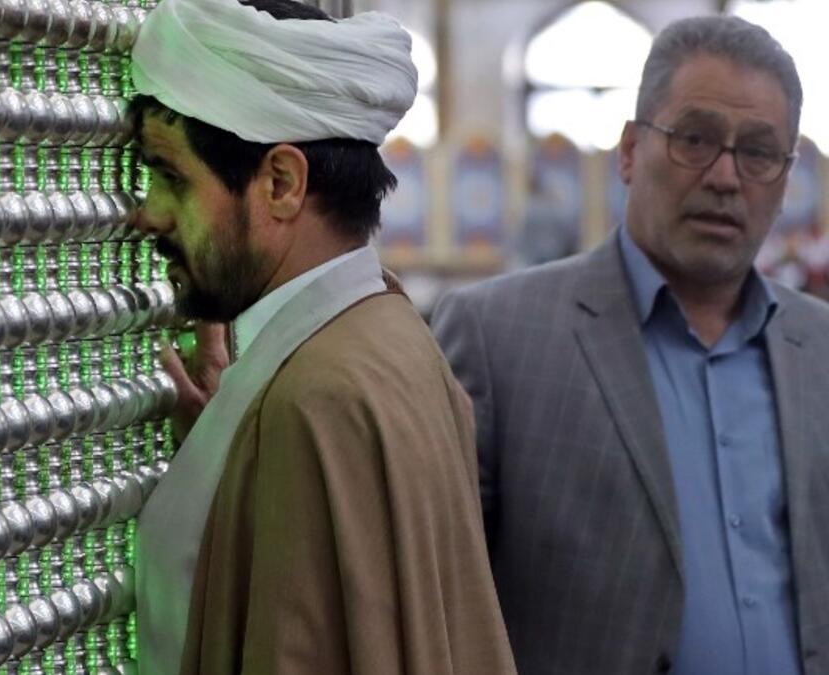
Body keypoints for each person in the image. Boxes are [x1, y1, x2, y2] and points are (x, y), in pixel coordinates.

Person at [431, 15, 829, 675]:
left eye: (758, 152)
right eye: (694, 139)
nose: (725, 177)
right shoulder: (498, 338)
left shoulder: (818, 348)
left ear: (786, 180)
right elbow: (433, 596)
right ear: (628, 151)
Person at [129, 1, 517, 674]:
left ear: (280, 183)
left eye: (171, 178)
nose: (149, 214)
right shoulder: (386, 329)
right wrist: (229, 444)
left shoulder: (317, 397)